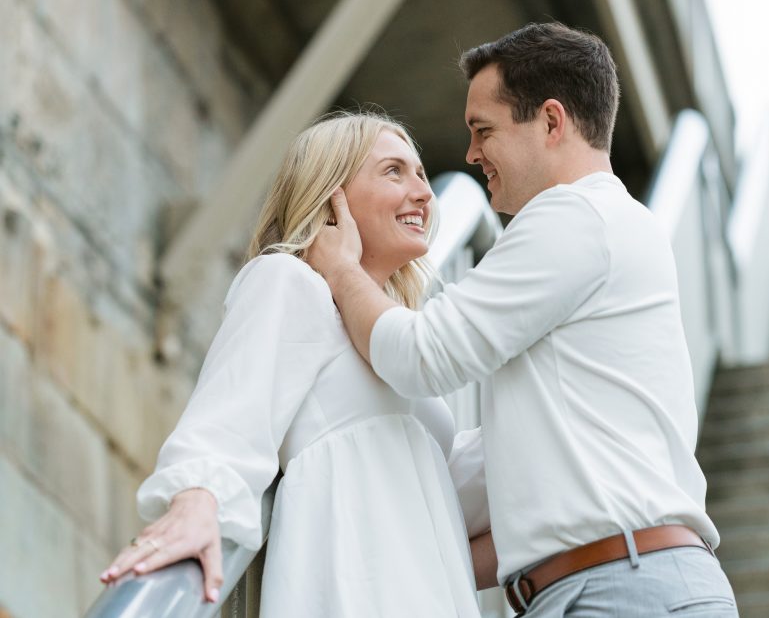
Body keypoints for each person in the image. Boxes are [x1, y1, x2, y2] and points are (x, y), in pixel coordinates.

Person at [307, 22, 739, 617]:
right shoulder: (613, 226)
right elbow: (515, 490)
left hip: (622, 590)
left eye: (484, 130)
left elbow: (423, 355)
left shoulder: (574, 215)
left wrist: (341, 270)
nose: (470, 154)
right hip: (621, 585)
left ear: (552, 122)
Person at [99, 112, 486, 617]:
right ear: (332, 197)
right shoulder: (290, 281)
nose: (423, 193)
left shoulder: (400, 343)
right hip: (350, 589)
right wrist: (195, 500)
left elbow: (434, 489)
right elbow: (230, 416)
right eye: (394, 171)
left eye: (419, 173)